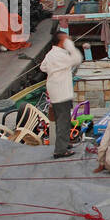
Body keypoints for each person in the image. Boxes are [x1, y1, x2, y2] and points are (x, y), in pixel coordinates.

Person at [39, 27, 83, 158]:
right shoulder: (60, 55)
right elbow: (77, 58)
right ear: (61, 42)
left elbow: (43, 67)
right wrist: (70, 46)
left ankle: (63, 143)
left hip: (54, 89)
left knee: (60, 119)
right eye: (66, 40)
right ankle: (60, 150)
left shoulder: (51, 54)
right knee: (64, 120)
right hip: (61, 91)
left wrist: (55, 70)